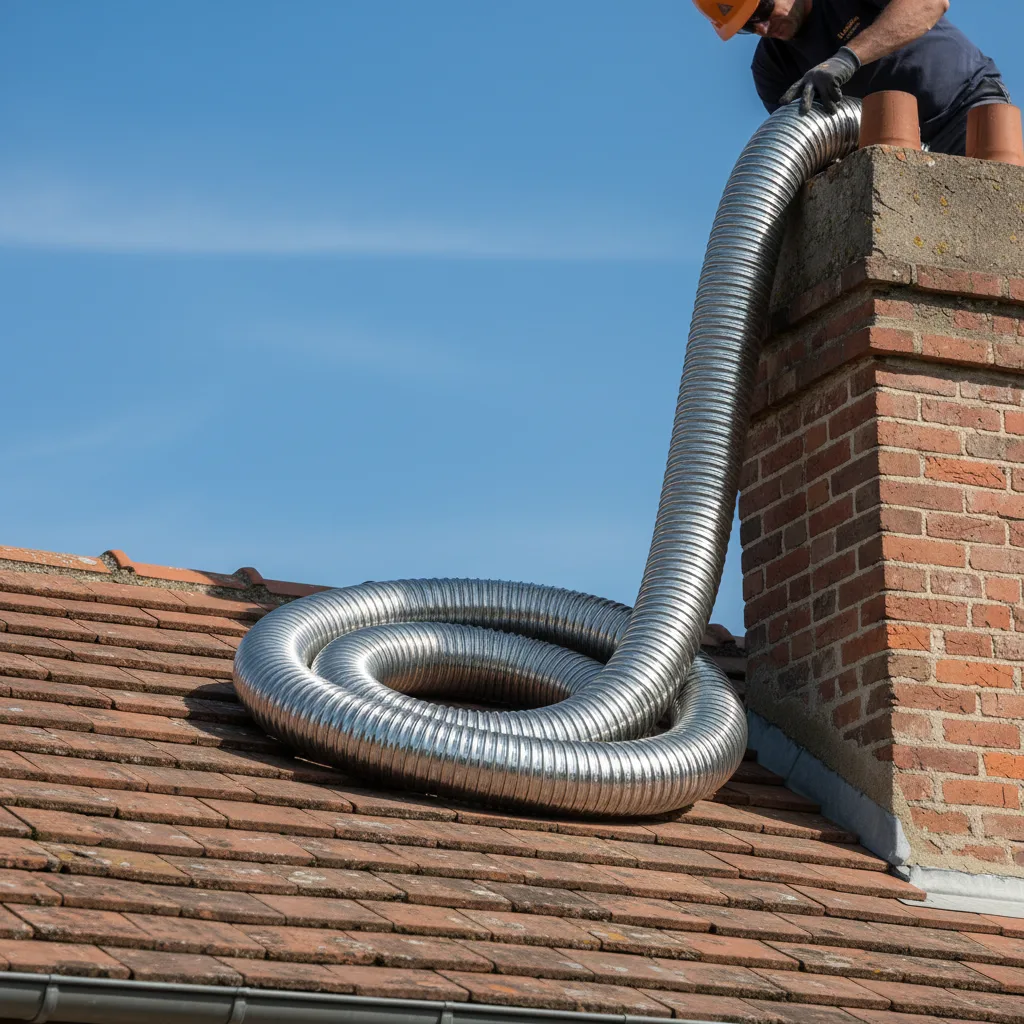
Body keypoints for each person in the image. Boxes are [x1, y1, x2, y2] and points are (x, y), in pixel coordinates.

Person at [693, 0, 1010, 155]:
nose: (762, 28)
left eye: (762, 9)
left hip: (964, 108)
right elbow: (810, 144)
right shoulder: (773, 68)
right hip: (892, 154)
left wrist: (847, 58)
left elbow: (929, 3)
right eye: (747, 26)